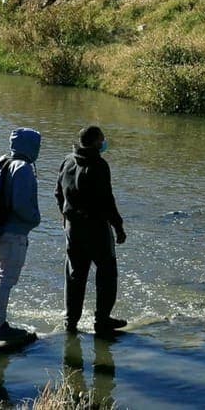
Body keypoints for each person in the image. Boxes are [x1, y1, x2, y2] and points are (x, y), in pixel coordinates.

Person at [56, 126, 127, 334]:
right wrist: (119, 227)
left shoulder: (67, 160)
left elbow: (58, 192)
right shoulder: (99, 165)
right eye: (102, 140)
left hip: (73, 228)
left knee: (75, 275)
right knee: (107, 273)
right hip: (96, 228)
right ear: (96, 142)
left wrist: (65, 216)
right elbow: (107, 201)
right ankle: (102, 320)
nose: (104, 143)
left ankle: (71, 322)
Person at [0, 128, 42, 341]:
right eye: (37, 145)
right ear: (29, 146)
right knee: (5, 280)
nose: (38, 150)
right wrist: (36, 219)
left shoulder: (4, 162)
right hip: (13, 234)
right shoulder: (23, 168)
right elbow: (22, 205)